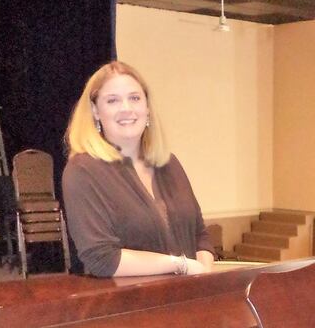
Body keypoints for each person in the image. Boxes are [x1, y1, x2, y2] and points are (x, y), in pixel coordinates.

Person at [62, 61, 214, 277]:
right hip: (130, 305)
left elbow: (200, 236)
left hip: (188, 300)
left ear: (147, 107)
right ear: (95, 111)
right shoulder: (82, 172)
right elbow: (102, 259)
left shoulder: (169, 164)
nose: (126, 108)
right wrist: (180, 265)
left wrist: (206, 275)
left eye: (134, 98)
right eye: (112, 100)